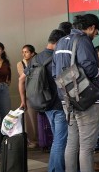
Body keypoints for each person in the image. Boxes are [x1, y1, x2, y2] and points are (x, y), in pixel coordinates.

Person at [52, 14, 99, 172]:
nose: (95, 36)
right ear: (91, 28)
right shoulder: (83, 40)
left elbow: (54, 71)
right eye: (96, 32)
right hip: (86, 99)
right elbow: (88, 67)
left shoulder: (61, 41)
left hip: (66, 98)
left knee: (72, 143)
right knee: (87, 147)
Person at [19, 29, 67, 172]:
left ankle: (53, 169)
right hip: (58, 105)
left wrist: (23, 100)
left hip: (44, 105)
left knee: (57, 140)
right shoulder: (56, 58)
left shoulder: (36, 58)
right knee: (60, 141)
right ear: (58, 42)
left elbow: (22, 79)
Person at [16, 44, 38, 148]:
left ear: (32, 53)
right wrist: (22, 99)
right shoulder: (20, 64)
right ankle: (33, 140)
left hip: (39, 92)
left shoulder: (38, 61)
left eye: (26, 52)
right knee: (30, 118)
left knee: (41, 117)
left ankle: (43, 139)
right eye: (23, 52)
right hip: (28, 93)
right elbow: (23, 78)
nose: (24, 54)